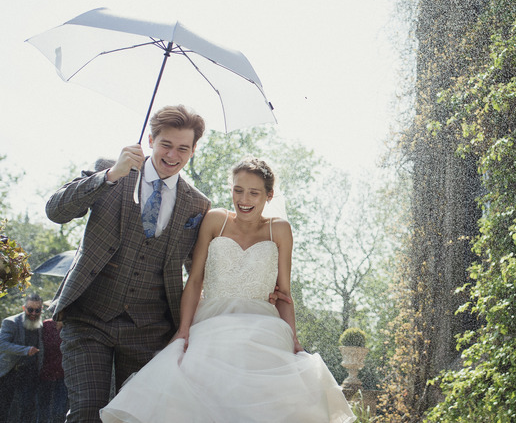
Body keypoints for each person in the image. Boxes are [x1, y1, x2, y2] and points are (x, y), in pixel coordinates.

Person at [100, 157, 356, 422]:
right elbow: (195, 279)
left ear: (269, 195)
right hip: (213, 320)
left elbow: (283, 293)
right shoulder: (215, 220)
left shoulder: (279, 230)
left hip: (264, 325)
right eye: (238, 190)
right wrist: (183, 330)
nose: (244, 199)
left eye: (254, 193)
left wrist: (293, 339)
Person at [46, 105, 212, 422]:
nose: (173, 155)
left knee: (134, 417)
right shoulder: (111, 171)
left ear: (193, 150)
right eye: (166, 144)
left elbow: (200, 272)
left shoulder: (198, 204)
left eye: (183, 148)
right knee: (86, 412)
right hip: (89, 319)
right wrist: (109, 177)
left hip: (149, 329)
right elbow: (56, 211)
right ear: (150, 139)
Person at [0, 293, 45, 423]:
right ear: (24, 308)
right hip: (10, 372)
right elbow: (2, 345)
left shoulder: (41, 326)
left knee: (28, 408)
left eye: (38, 310)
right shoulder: (10, 322)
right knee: (4, 408)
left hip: (30, 373)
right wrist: (25, 351)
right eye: (30, 309)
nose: (34, 313)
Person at [38, 318, 68, 423]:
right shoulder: (45, 326)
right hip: (45, 373)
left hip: (64, 375)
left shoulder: (71, 326)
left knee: (60, 410)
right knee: (42, 409)